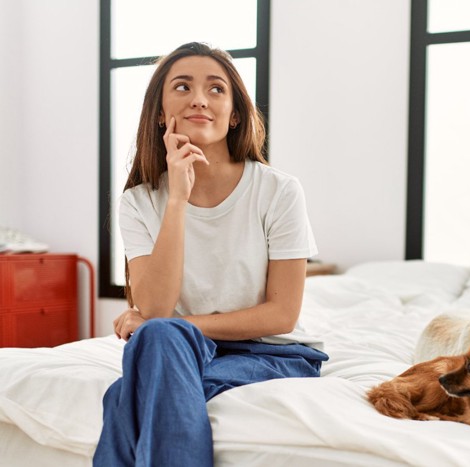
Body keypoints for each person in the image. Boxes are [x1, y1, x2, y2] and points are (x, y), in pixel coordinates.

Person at [93, 42, 328, 466]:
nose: (200, 98)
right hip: (182, 349)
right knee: (158, 338)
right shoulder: (139, 201)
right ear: (161, 113)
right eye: (182, 87)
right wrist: (177, 200)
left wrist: (166, 326)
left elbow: (281, 316)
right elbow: (156, 306)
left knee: (125, 391)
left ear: (235, 114)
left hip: (270, 351)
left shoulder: (278, 191)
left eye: (216, 89)